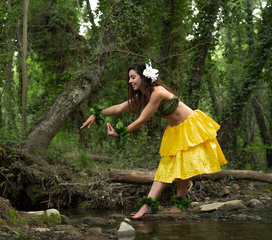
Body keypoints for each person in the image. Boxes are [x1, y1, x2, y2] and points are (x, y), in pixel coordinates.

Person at [81, 61, 227, 219]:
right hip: (176, 130)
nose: (130, 81)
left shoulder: (158, 92)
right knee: (172, 169)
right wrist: (97, 114)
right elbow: (119, 108)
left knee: (180, 169)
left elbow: (142, 119)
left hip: (190, 128)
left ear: (144, 76)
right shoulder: (145, 96)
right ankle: (160, 206)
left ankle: (159, 206)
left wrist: (120, 132)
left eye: (133, 77)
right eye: (129, 78)